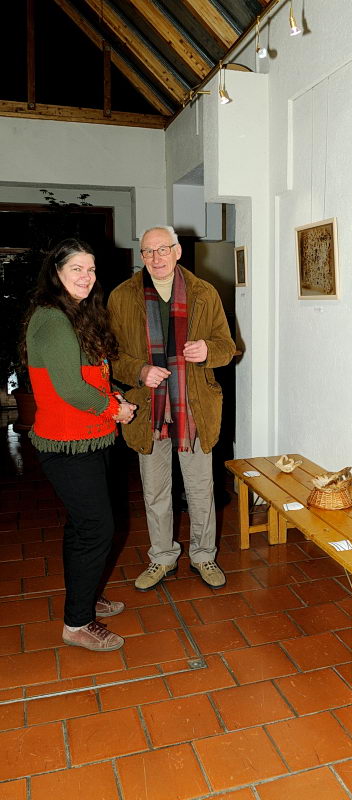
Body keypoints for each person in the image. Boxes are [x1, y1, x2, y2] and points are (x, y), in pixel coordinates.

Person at [21, 239, 136, 651]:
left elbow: (89, 377)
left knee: (84, 525)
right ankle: (77, 624)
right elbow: (70, 389)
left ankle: (84, 597)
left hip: (89, 438)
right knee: (97, 528)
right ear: (56, 273)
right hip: (67, 443)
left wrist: (114, 394)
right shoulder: (53, 319)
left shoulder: (74, 313)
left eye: (90, 269)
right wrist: (115, 409)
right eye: (76, 269)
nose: (86, 277)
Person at [108, 225, 235, 591]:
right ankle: (162, 557)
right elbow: (111, 358)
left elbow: (227, 347)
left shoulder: (204, 293)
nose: (156, 257)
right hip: (148, 409)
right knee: (155, 491)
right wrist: (140, 370)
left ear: (178, 252)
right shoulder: (122, 296)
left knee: (200, 489)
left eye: (163, 249)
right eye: (148, 251)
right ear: (142, 256)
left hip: (193, 407)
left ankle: (203, 555)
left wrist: (208, 350)